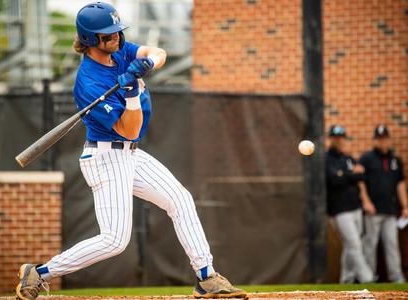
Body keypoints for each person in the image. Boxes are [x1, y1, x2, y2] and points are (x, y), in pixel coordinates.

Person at [14, 2, 246, 299]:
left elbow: (156, 53)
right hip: (106, 157)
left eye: (117, 32)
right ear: (89, 39)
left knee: (180, 199)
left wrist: (147, 64)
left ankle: (206, 277)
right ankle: (40, 272)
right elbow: (129, 129)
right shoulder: (89, 82)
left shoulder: (119, 50)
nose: (116, 38)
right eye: (107, 35)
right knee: (114, 240)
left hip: (130, 154)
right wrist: (131, 93)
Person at [359, 125, 408, 283]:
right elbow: (360, 182)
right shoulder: (366, 158)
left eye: (385, 138)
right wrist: (366, 202)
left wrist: (406, 206)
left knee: (392, 245)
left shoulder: (395, 160)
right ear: (375, 140)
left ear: (389, 139)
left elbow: (400, 184)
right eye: (379, 139)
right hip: (372, 210)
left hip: (390, 210)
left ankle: (396, 278)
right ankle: (369, 278)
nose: (383, 142)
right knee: (370, 245)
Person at [325, 125, 374, 284]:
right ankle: (367, 278)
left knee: (349, 245)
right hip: (339, 210)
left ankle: (346, 280)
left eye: (341, 137)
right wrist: (351, 174)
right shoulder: (327, 159)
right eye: (335, 137)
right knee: (354, 243)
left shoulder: (347, 158)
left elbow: (361, 177)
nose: (338, 140)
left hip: (355, 207)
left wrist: (348, 175)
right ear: (330, 139)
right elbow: (334, 179)